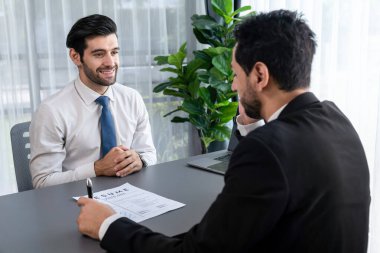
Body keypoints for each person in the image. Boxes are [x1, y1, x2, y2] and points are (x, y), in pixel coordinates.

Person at [76, 10, 370, 253]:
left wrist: (109, 224)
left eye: (235, 74)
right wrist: (252, 129)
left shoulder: (267, 150)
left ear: (259, 75)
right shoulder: (336, 120)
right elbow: (282, 183)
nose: (232, 86)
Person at [30, 14, 157, 188]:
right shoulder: (52, 111)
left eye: (114, 52)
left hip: (130, 196)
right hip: (76, 202)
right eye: (99, 54)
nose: (110, 62)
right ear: (76, 57)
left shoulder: (132, 98)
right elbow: (42, 182)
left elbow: (149, 153)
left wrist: (140, 160)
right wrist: (96, 169)